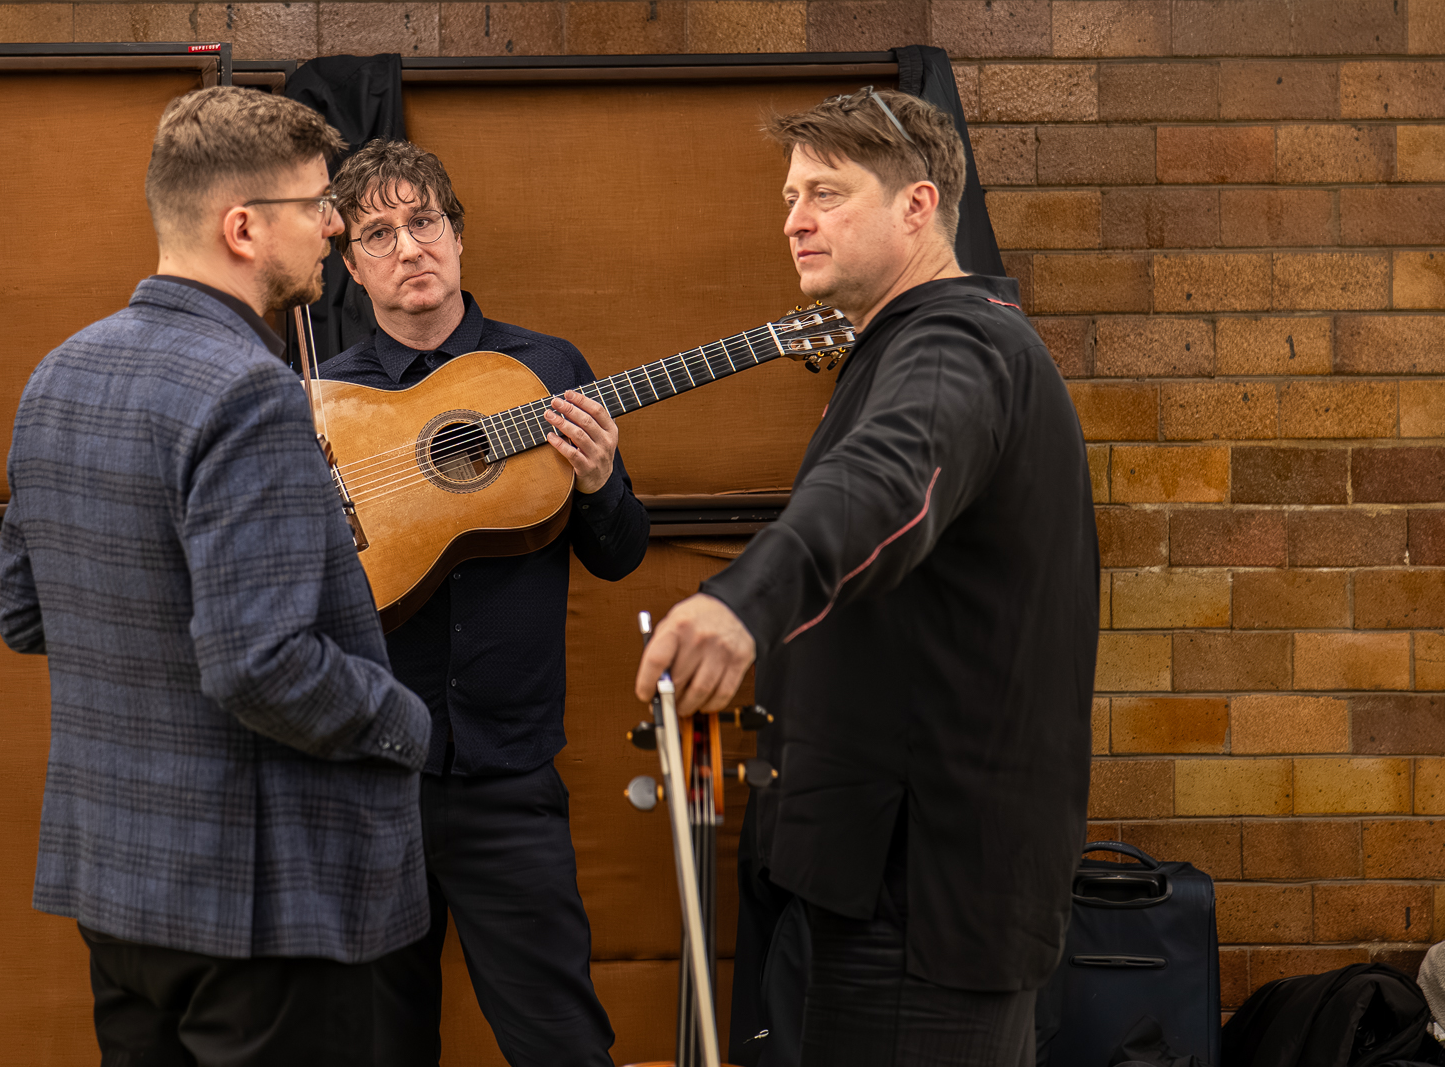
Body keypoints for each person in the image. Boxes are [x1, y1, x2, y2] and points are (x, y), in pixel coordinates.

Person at [635, 87, 1099, 1065]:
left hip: (923, 899)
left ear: (918, 206)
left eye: (828, 193)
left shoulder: (957, 345)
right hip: (874, 877)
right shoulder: (909, 344)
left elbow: (888, 482)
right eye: (790, 196)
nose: (795, 219)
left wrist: (742, 603)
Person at [0, 87, 432, 1067]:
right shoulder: (250, 392)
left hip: (120, 888)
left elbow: (24, 612)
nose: (333, 227)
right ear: (243, 228)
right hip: (260, 906)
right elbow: (258, 663)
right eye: (316, 205)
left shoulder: (58, 373)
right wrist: (403, 723)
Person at [316, 139, 650, 1067]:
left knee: (562, 1044)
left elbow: (620, 555)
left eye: (423, 221)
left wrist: (599, 482)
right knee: (380, 1048)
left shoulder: (543, 370)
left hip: (510, 775)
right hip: (373, 782)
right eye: (378, 235)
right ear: (353, 268)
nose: (408, 248)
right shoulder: (327, 402)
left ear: (457, 236)